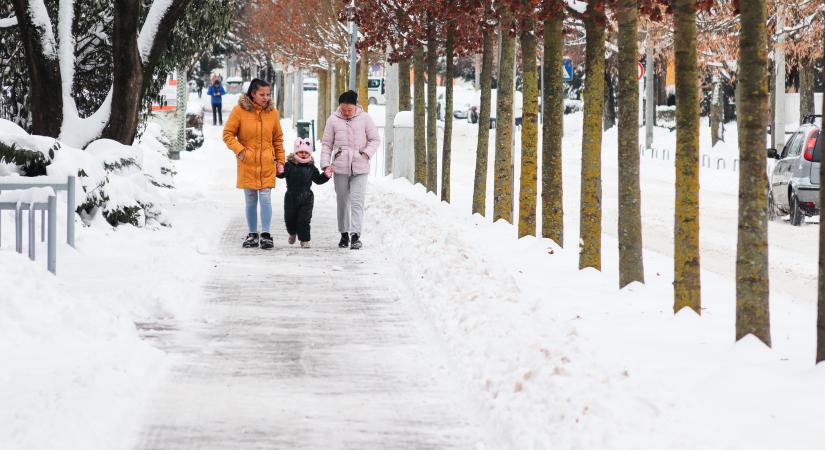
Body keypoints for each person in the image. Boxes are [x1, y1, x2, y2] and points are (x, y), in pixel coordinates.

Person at [223, 78, 285, 249]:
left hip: (266, 162)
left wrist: (280, 161)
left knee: (265, 198)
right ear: (252, 94)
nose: (265, 98)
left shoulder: (273, 113)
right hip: (247, 162)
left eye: (268, 94)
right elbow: (228, 134)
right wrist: (241, 151)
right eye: (262, 94)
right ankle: (252, 234)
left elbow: (277, 139)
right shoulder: (239, 111)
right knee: (250, 199)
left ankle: (265, 234)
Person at [320, 90, 380, 250]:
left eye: (349, 110)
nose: (346, 113)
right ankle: (344, 234)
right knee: (342, 201)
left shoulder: (365, 118)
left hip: (360, 167)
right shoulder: (333, 120)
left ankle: (355, 236)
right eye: (343, 110)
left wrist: (366, 154)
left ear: (355, 107)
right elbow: (327, 143)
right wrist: (326, 164)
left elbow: (375, 139)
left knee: (357, 202)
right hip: (340, 167)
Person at [277, 138, 332, 248]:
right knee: (290, 219)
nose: (303, 155)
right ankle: (292, 233)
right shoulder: (289, 165)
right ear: (295, 152)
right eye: (300, 152)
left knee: (304, 220)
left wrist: (326, 175)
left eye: (306, 153)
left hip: (307, 198)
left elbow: (318, 180)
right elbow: (282, 175)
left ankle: (305, 240)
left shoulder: (311, 167)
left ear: (309, 153)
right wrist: (279, 170)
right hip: (291, 197)